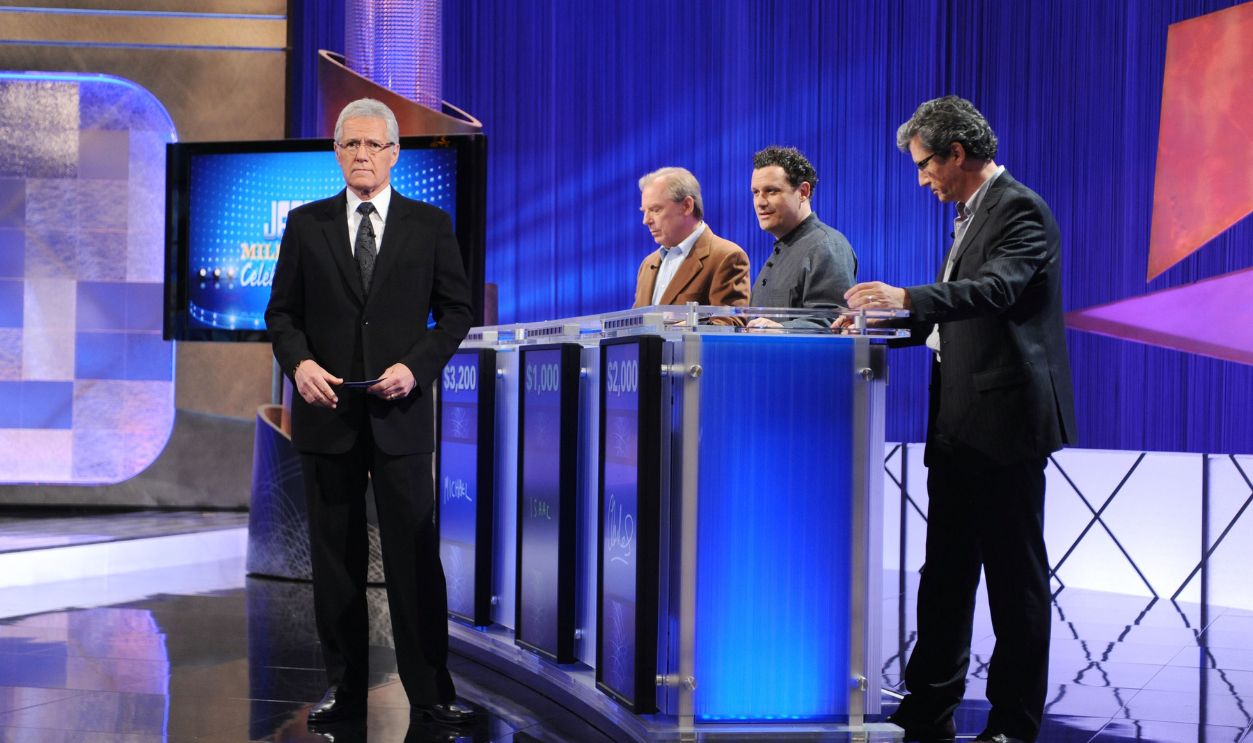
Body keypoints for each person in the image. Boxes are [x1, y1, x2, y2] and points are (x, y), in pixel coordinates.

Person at [841, 96, 1075, 743]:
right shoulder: (968, 216)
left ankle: (1011, 723)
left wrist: (908, 295)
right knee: (942, 576)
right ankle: (928, 704)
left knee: (1012, 583)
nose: (920, 180)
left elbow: (995, 291)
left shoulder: (1019, 209)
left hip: (1004, 425)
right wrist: (876, 324)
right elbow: (949, 316)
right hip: (956, 421)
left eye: (924, 166)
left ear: (955, 154)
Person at [265, 98, 476, 726]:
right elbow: (281, 315)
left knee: (414, 556)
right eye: (349, 145)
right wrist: (299, 365)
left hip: (401, 414)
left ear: (393, 154)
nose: (361, 155)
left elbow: (457, 312)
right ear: (336, 152)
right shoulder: (306, 224)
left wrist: (416, 366)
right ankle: (344, 688)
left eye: (372, 146)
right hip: (327, 414)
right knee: (336, 560)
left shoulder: (429, 224)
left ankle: (431, 692)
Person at [746, 146, 857, 328]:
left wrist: (782, 330)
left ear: (803, 192)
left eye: (771, 191)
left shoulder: (826, 246)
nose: (760, 202)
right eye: (755, 192)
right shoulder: (784, 248)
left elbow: (833, 322)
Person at [633, 166, 750, 310]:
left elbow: (729, 324)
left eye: (656, 210)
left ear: (687, 206)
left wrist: (680, 326)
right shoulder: (647, 265)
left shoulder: (726, 257)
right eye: (644, 212)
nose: (646, 220)